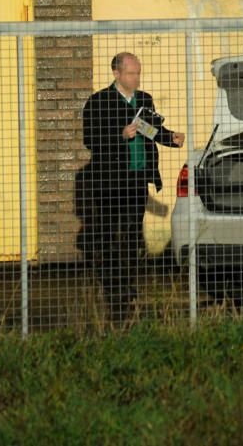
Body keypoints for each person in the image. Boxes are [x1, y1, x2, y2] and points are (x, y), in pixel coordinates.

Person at [81, 52, 185, 319]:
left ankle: (126, 288)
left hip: (138, 178)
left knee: (131, 237)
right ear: (116, 74)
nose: (136, 78)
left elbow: (149, 130)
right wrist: (120, 135)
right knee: (108, 237)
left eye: (138, 73)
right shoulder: (99, 102)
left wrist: (170, 137)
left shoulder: (144, 100)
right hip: (110, 180)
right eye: (131, 73)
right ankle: (111, 287)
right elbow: (91, 140)